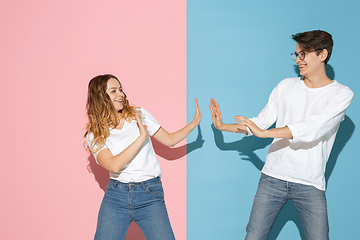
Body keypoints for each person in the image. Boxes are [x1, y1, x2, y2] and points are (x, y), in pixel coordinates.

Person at [209, 30, 354, 240]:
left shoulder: (341, 94)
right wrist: (223, 126)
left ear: (322, 55)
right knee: (254, 236)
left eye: (303, 54)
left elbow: (313, 127)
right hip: (272, 178)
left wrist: (265, 133)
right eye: (295, 54)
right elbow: (259, 123)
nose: (297, 60)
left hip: (310, 183)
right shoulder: (286, 86)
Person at [85, 74, 202, 240]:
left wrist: (194, 123)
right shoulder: (95, 134)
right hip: (116, 198)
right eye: (113, 91)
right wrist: (141, 138)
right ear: (100, 97)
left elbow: (169, 140)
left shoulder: (139, 115)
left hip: (150, 194)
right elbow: (113, 165)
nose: (121, 94)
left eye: (120, 89)